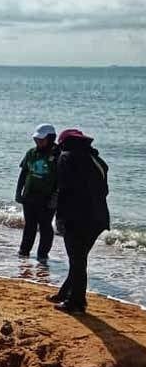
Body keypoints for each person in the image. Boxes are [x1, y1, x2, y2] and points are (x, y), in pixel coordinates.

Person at [50, 128, 109, 314]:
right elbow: (105, 191)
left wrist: (59, 218)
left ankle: (77, 303)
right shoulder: (98, 161)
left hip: (77, 217)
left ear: (64, 143)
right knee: (79, 259)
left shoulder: (67, 157)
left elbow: (64, 190)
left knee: (77, 260)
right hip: (99, 218)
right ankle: (65, 293)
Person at [16, 124, 60, 263]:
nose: (38, 142)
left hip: (47, 199)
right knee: (29, 225)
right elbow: (23, 173)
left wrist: (55, 197)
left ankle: (42, 256)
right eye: (37, 139)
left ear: (51, 138)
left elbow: (62, 179)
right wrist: (18, 192)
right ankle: (24, 252)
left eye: (42, 139)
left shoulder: (58, 155)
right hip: (29, 196)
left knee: (45, 226)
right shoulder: (31, 153)